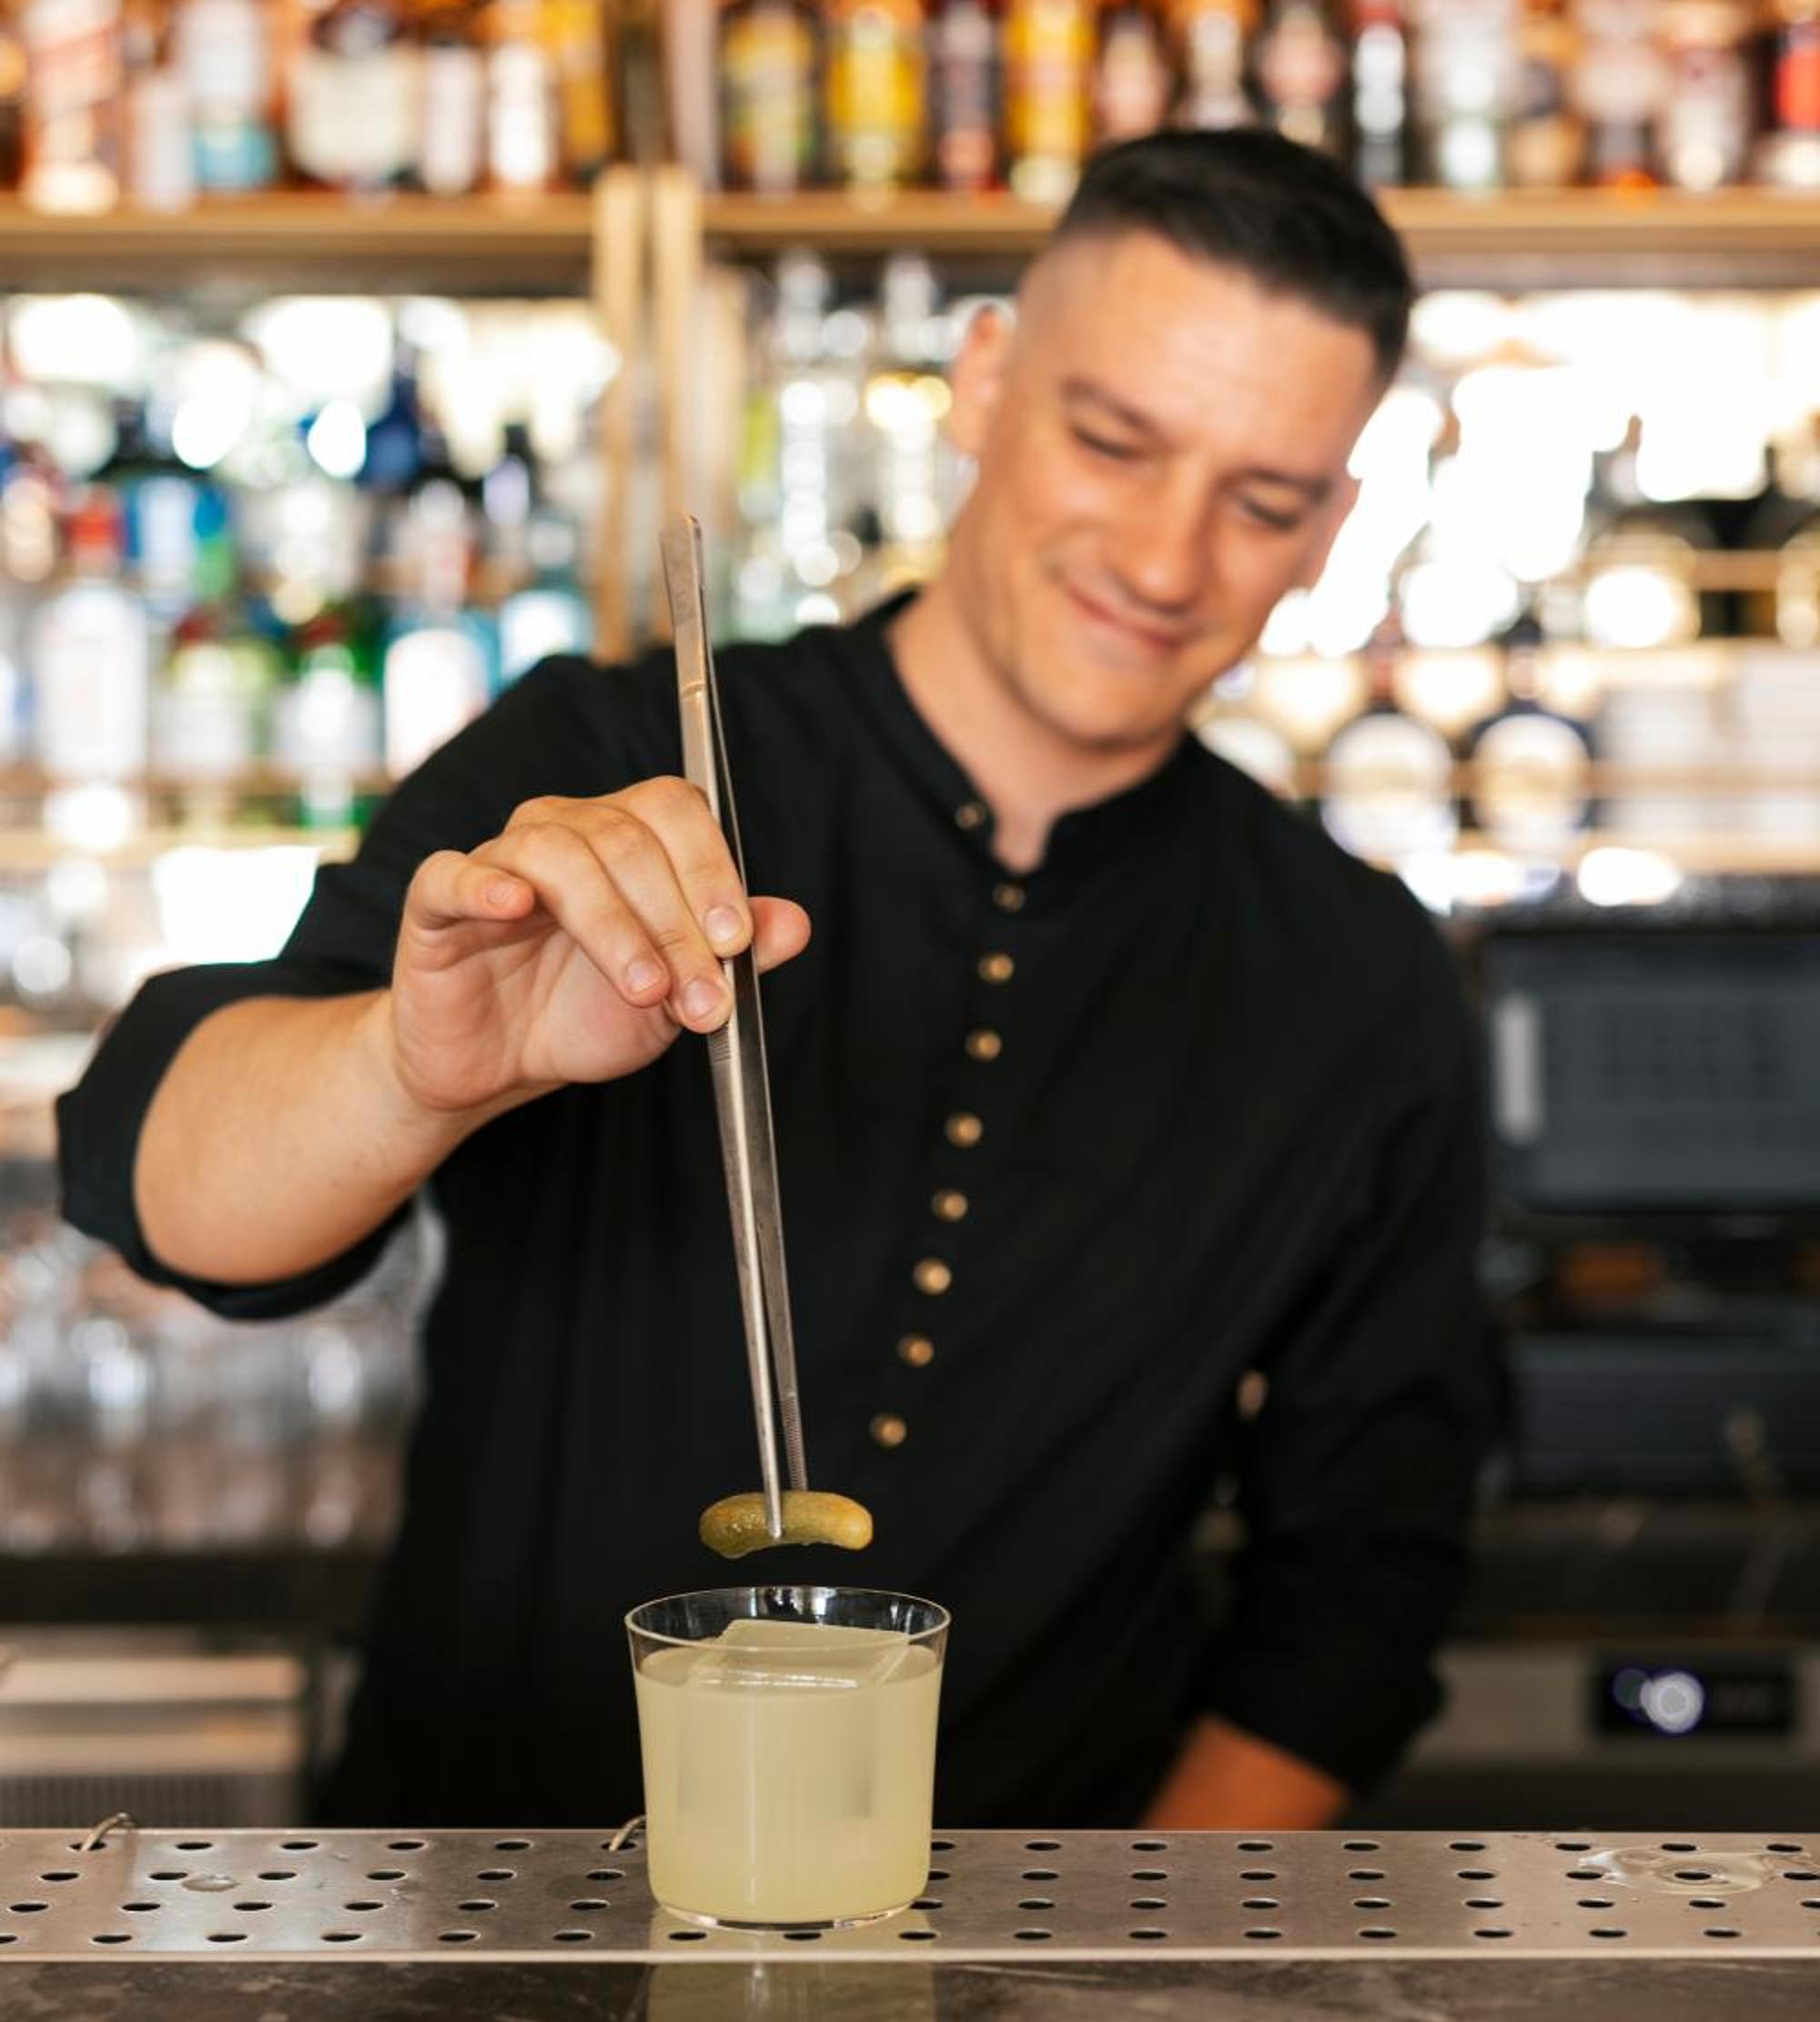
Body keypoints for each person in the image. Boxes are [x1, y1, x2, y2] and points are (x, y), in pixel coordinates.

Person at [59, 128, 1491, 1833]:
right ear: (982, 384)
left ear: (1333, 527)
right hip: (484, 1913)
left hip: (1025, 1945)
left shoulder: (1360, 978)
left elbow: (1354, 1598)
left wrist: (1125, 1960)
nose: (1168, 560)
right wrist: (411, 1070)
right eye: (1114, 442)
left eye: (1262, 502)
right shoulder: (600, 760)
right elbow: (163, 1188)